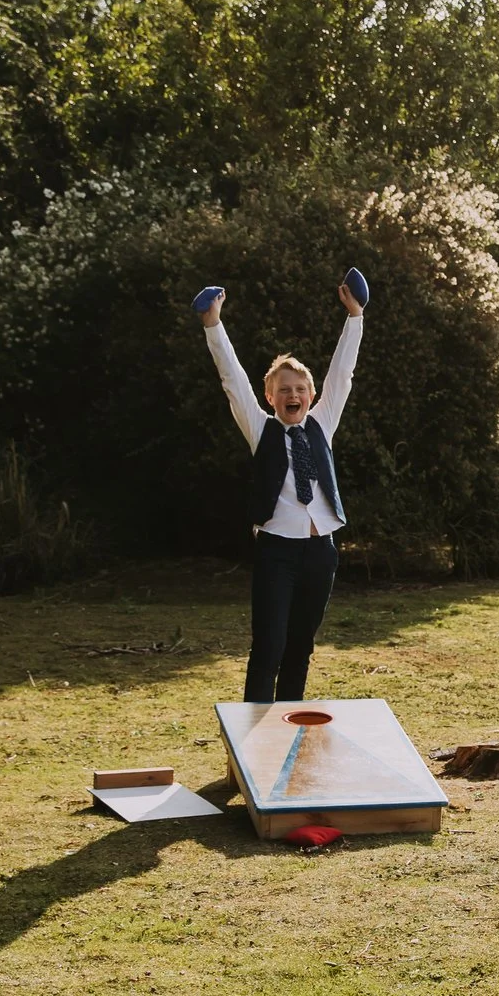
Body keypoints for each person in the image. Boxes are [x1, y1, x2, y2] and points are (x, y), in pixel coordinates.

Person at [193, 271, 366, 704]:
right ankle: (250, 750)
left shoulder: (322, 424)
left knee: (300, 649)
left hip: (320, 551)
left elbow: (342, 375)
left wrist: (355, 317)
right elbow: (232, 380)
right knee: (268, 647)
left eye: (300, 388)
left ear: (310, 395)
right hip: (277, 551)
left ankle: (290, 736)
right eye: (283, 390)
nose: (293, 394)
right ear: (270, 398)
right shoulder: (262, 430)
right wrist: (213, 325)